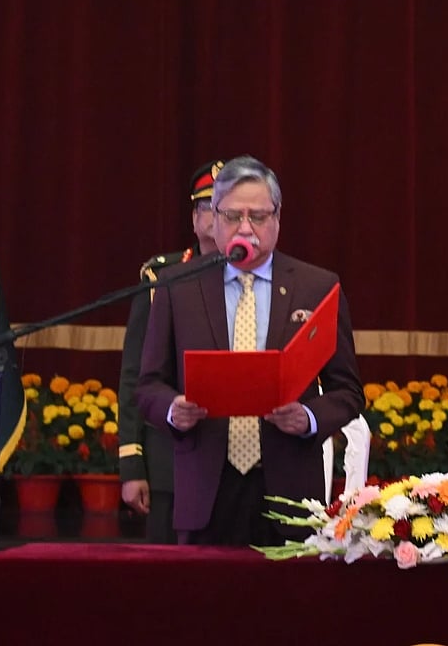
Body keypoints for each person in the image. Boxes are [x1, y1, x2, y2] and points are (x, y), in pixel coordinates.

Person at [136, 155, 365, 545]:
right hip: (206, 490)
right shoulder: (178, 286)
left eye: (258, 216)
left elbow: (348, 391)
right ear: (214, 219)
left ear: (277, 218)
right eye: (232, 216)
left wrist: (309, 417)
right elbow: (148, 387)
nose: (246, 228)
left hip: (288, 491)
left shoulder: (317, 286)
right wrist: (175, 409)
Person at [118, 159, 224, 544]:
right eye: (206, 207)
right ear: (194, 220)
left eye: (224, 208)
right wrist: (132, 464)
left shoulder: (259, 280)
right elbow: (136, 374)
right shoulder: (161, 278)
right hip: (170, 461)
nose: (215, 218)